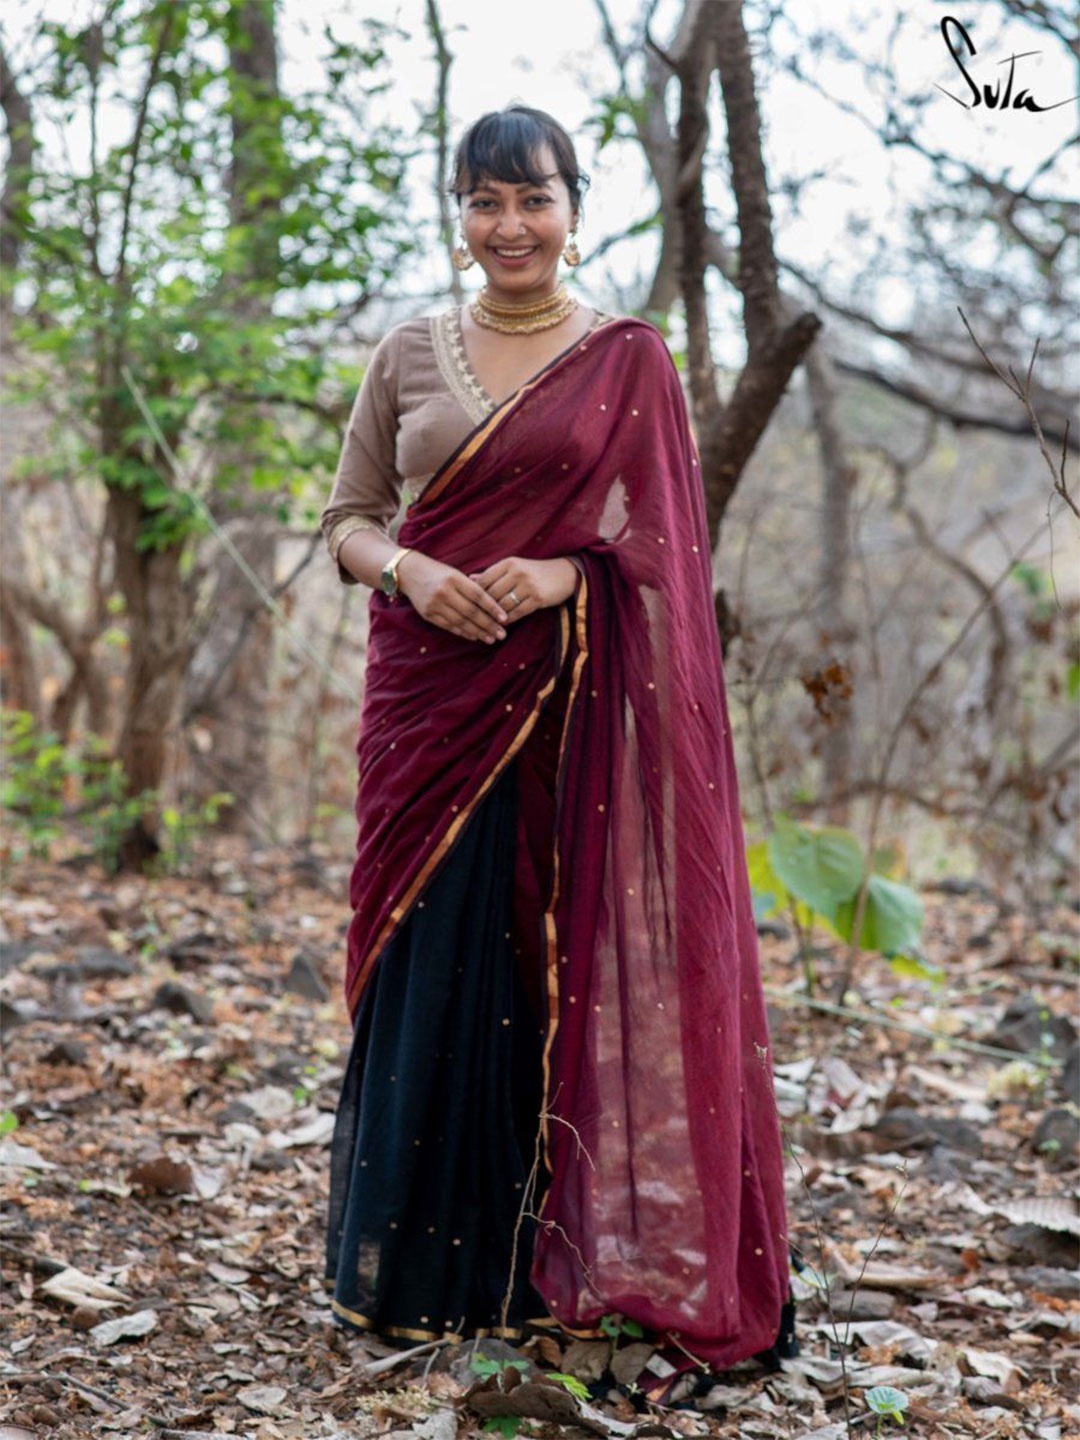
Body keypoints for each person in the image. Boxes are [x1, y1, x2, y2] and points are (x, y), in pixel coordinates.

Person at [321, 104, 794, 1390]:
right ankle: (424, 1273)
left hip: (569, 710)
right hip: (426, 705)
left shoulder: (628, 360)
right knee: (434, 960)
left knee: (551, 959)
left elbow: (663, 560)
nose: (509, 227)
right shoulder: (408, 353)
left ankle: (556, 1255)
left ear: (576, 207)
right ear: (458, 213)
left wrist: (554, 575)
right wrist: (413, 571)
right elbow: (349, 518)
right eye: (484, 202)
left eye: (532, 200)